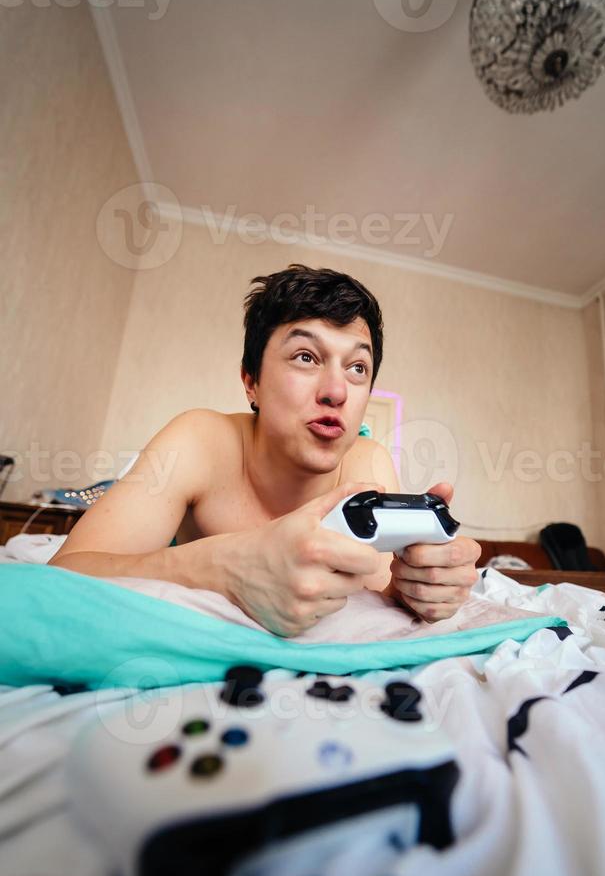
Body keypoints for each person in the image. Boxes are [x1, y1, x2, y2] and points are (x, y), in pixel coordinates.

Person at [49, 264, 480, 637]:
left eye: (357, 368)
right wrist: (222, 564)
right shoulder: (199, 440)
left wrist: (423, 588)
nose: (336, 392)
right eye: (306, 357)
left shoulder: (367, 463)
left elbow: (384, 597)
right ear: (251, 381)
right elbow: (63, 576)